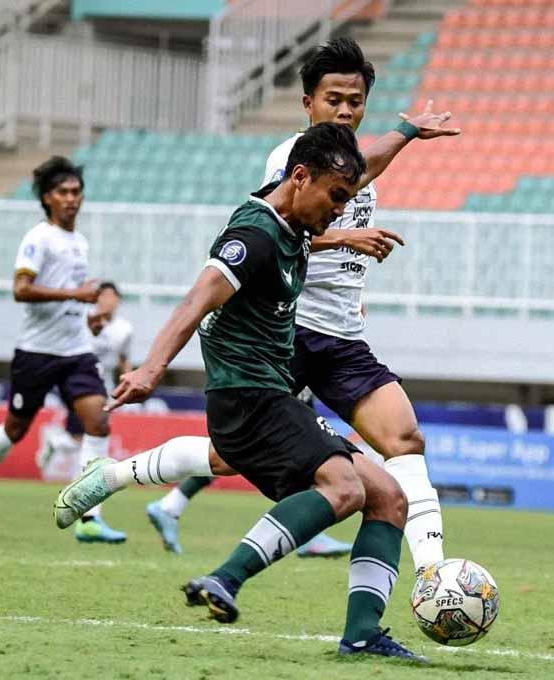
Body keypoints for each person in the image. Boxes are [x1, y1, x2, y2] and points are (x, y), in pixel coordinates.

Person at [53, 122, 426, 661]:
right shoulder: (253, 236)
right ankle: (225, 578)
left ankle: (363, 634)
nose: (341, 212)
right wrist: (150, 370)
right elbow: (194, 301)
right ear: (300, 177)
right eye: (337, 199)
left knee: (389, 497)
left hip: (269, 393)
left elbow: (365, 167)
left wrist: (408, 132)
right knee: (343, 486)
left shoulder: (297, 217)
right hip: (248, 396)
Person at [147, 37, 460, 569]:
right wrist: (348, 240)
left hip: (338, 335)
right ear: (308, 103)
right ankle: (134, 484)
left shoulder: (349, 161)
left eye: (355, 101)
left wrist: (406, 132)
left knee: (404, 438)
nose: (345, 109)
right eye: (333, 98)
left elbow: (371, 164)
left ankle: (433, 572)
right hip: (288, 334)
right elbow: (277, 231)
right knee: (234, 452)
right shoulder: (291, 160)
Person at [0, 156, 113, 531]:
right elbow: (21, 290)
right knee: (15, 429)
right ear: (46, 198)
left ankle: (89, 517)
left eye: (76, 191)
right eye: (63, 192)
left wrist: (87, 315)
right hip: (37, 352)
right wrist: (74, 293)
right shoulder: (38, 238)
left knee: (99, 422)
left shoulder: (80, 242)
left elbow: (71, 298)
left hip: (75, 351)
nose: (71, 198)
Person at [35, 281, 132, 542]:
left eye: (113, 296)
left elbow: (124, 358)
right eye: (104, 296)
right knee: (90, 439)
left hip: (106, 389)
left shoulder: (124, 330)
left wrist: (128, 377)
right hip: (82, 387)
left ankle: (85, 510)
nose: (108, 301)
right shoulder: (83, 322)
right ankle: (87, 512)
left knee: (88, 441)